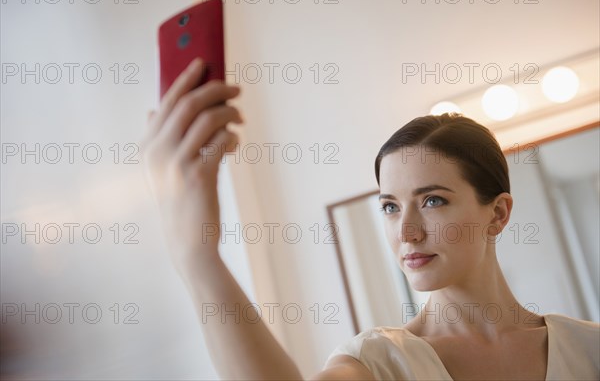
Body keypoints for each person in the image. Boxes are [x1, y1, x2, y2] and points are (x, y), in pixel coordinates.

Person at [140, 58, 600, 380]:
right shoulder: (378, 364)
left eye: (433, 200)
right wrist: (198, 258)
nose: (406, 232)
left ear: (497, 214)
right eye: (390, 206)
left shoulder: (588, 349)